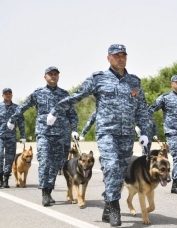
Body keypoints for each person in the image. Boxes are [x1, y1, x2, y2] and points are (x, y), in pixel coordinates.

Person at [46, 44, 149, 226]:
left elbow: (141, 108)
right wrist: (56, 109)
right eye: (116, 55)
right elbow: (78, 95)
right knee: (110, 166)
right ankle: (115, 207)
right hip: (107, 133)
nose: (121, 58)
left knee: (119, 173)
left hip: (126, 135)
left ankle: (107, 207)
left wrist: (144, 131)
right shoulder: (98, 78)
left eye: (123, 55)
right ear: (108, 58)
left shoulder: (135, 82)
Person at [7, 67, 78, 206]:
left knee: (58, 164)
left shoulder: (64, 94)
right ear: (45, 77)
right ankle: (44, 193)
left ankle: (49, 188)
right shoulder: (38, 94)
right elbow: (23, 107)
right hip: (44, 134)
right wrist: (12, 119)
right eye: (50, 74)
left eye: (55, 74)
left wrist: (74, 130)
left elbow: (72, 114)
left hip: (62, 135)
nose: (53, 76)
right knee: (45, 161)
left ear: (58, 77)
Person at [0, 88, 26, 188]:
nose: (7, 95)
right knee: (0, 156)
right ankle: (0, 179)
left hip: (11, 136)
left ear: (12, 95)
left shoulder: (17, 108)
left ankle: (6, 179)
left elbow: (21, 123)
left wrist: (23, 136)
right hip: (0, 136)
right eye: (5, 94)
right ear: (2, 95)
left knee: (10, 158)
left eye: (9, 93)